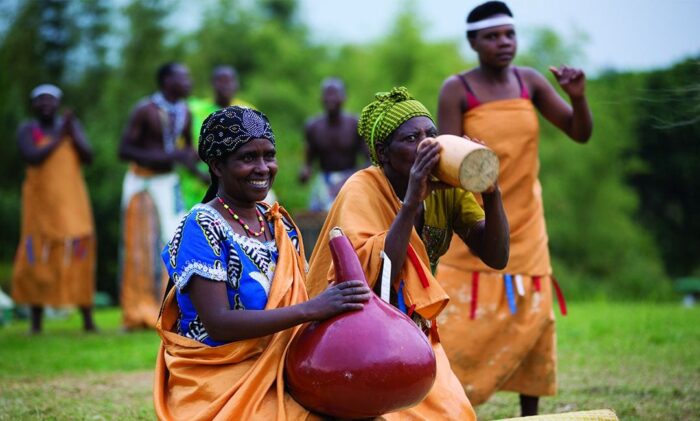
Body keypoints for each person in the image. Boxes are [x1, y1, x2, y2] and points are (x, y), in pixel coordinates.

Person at [153, 106, 371, 420]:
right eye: (247, 158)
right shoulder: (202, 225)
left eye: (269, 156)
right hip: (220, 379)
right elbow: (218, 323)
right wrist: (312, 309)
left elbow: (302, 295)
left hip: (284, 366)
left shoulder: (276, 224)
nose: (263, 168)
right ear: (217, 166)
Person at [305, 87, 510, 420]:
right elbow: (376, 276)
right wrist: (412, 200)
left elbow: (496, 256)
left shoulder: (446, 190)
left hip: (412, 331)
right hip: (353, 331)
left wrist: (492, 192)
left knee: (456, 414)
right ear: (384, 153)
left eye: (432, 134)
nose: (427, 145)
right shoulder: (361, 188)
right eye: (412, 138)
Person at [435, 1, 593, 415]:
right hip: (477, 221)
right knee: (458, 328)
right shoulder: (457, 89)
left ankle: (529, 413)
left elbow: (579, 133)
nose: (503, 43)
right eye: (491, 36)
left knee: (533, 317)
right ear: (473, 42)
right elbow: (446, 159)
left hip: (528, 220)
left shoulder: (530, 82)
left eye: (509, 34)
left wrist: (578, 99)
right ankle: (449, 405)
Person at [118, 62, 204, 330]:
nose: (188, 82)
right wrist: (169, 156)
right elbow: (124, 150)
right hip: (141, 183)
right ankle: (136, 312)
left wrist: (205, 173)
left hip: (168, 184)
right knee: (139, 247)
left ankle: (165, 309)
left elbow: (186, 151)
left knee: (172, 242)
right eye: (183, 77)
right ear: (167, 81)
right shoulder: (146, 110)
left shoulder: (184, 111)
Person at [11, 84, 97, 334]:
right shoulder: (29, 129)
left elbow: (88, 157)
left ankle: (88, 321)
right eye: (41, 100)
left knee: (80, 249)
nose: (46, 104)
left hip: (73, 200)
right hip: (40, 204)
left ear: (58, 103)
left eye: (51, 99)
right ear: (33, 105)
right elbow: (32, 156)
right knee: (38, 253)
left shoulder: (70, 127)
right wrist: (61, 135)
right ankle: (36, 323)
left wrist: (72, 131)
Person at [184, 65, 268, 210]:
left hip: (236, 183)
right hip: (196, 184)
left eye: (229, 81)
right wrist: (201, 175)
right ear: (212, 84)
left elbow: (257, 148)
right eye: (220, 81)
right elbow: (184, 150)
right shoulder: (194, 110)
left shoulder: (247, 111)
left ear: (236, 84)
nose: (225, 86)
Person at [298, 77, 369, 212]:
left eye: (334, 94)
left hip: (350, 177)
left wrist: (347, 180)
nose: (330, 98)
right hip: (323, 180)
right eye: (326, 94)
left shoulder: (354, 124)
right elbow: (308, 161)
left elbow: (369, 161)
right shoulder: (313, 126)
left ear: (343, 97)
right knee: (318, 219)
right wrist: (305, 171)